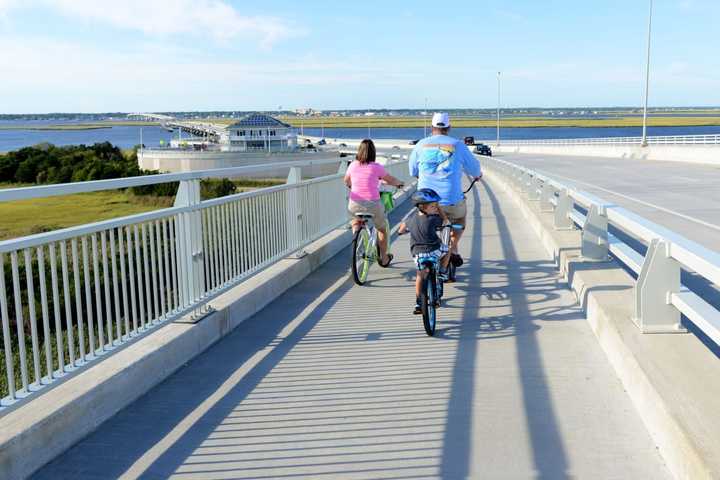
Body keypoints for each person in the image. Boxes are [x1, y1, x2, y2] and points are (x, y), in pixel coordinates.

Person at [408, 112, 482, 271]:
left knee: (426, 221)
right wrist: (477, 176)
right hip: (451, 200)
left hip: (426, 203)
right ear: (449, 127)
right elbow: (475, 168)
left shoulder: (421, 144)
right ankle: (453, 247)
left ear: (432, 127)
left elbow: (412, 170)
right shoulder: (458, 145)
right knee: (460, 220)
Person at [345, 139, 404, 267]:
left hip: (354, 203)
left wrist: (352, 186)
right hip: (373, 204)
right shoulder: (377, 167)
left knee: (355, 219)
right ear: (373, 153)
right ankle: (384, 258)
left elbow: (346, 181)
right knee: (382, 229)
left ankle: (357, 237)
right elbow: (391, 179)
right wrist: (399, 183)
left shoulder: (353, 165)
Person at [398, 188, 450, 314]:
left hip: (418, 254)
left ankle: (418, 302)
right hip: (434, 250)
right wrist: (442, 213)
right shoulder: (433, 219)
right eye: (433, 206)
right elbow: (446, 222)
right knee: (448, 250)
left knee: (420, 275)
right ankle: (443, 271)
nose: (435, 208)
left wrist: (405, 230)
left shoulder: (410, 219)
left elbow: (400, 230)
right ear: (423, 207)